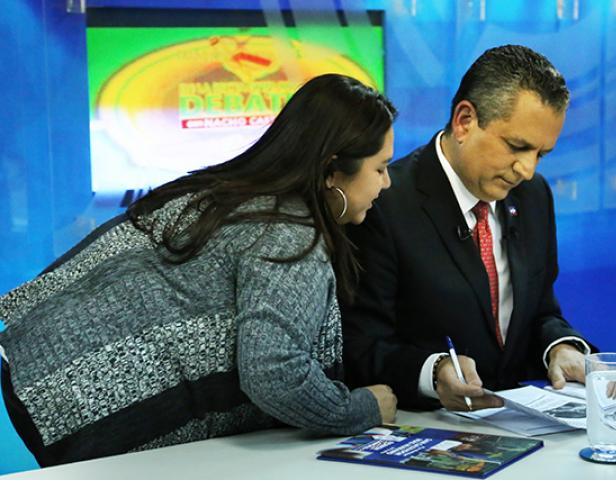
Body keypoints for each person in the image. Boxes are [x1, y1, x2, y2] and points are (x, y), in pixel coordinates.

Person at [0, 73, 398, 466]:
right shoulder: (290, 233)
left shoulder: (228, 192)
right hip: (86, 402)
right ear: (332, 171)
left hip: (35, 367)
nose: (387, 183)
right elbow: (276, 375)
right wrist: (360, 408)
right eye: (380, 168)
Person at [340, 45, 594, 412]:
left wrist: (561, 347)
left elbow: (541, 312)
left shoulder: (534, 196)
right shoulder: (383, 203)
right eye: (517, 146)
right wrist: (434, 370)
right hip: (425, 432)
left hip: (520, 433)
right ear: (464, 121)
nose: (528, 169)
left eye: (541, 154)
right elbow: (360, 348)